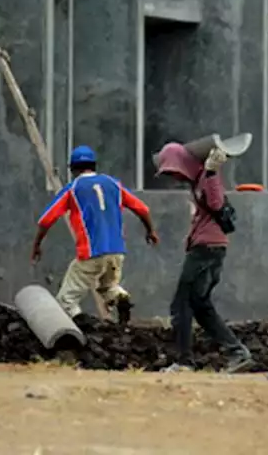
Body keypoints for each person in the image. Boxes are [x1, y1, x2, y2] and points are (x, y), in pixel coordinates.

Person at [153, 142, 253, 373]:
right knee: (200, 305)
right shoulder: (199, 181)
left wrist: (211, 172)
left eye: (174, 171)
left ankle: (184, 361)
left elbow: (216, 202)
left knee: (181, 305)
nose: (175, 178)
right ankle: (237, 352)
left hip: (206, 250)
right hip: (211, 249)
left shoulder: (206, 177)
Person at [32, 145, 159, 322]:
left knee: (66, 300)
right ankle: (120, 298)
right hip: (116, 251)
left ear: (73, 168)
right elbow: (143, 209)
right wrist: (150, 231)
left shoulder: (73, 188)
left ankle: (83, 326)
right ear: (94, 165)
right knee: (108, 287)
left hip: (91, 252)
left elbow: (46, 220)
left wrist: (37, 245)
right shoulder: (113, 184)